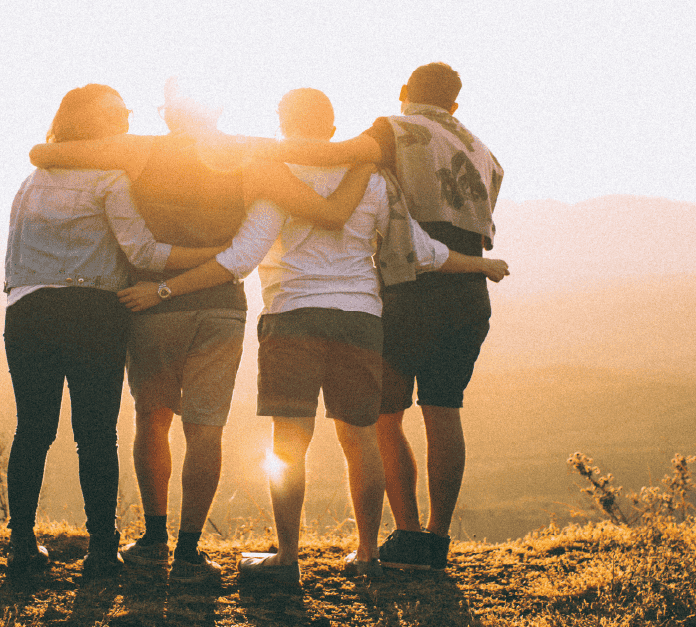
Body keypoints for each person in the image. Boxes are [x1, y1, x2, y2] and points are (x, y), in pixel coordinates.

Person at [120, 88, 507, 582]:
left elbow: (240, 259)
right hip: (360, 319)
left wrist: (165, 289)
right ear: (331, 127)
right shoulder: (372, 179)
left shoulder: (276, 179)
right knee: (360, 437)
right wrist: (481, 264)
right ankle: (366, 553)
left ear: (283, 124)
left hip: (292, 318)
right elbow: (421, 251)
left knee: (289, 444)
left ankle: (286, 559)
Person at [27, 79, 374, 584]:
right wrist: (366, 159)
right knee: (205, 429)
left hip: (152, 304)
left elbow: (45, 154)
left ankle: (153, 540)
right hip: (221, 307)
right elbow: (328, 213)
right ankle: (190, 553)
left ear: (168, 114)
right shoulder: (251, 158)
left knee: (153, 419)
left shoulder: (140, 151)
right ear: (217, 109)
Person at [275, 63, 505, 570]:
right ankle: (437, 540)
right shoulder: (484, 152)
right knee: (445, 410)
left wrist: (248, 153)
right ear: (455, 104)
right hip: (468, 290)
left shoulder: (393, 128)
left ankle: (405, 534)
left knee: (385, 414)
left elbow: (329, 154)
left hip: (410, 285)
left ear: (405, 93)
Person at [3, 84, 227, 581]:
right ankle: (102, 550)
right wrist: (213, 257)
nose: (128, 119)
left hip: (27, 311)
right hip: (93, 313)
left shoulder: (32, 180)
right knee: (95, 435)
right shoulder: (109, 180)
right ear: (101, 124)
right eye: (120, 113)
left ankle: (21, 544)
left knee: (33, 430)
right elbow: (144, 255)